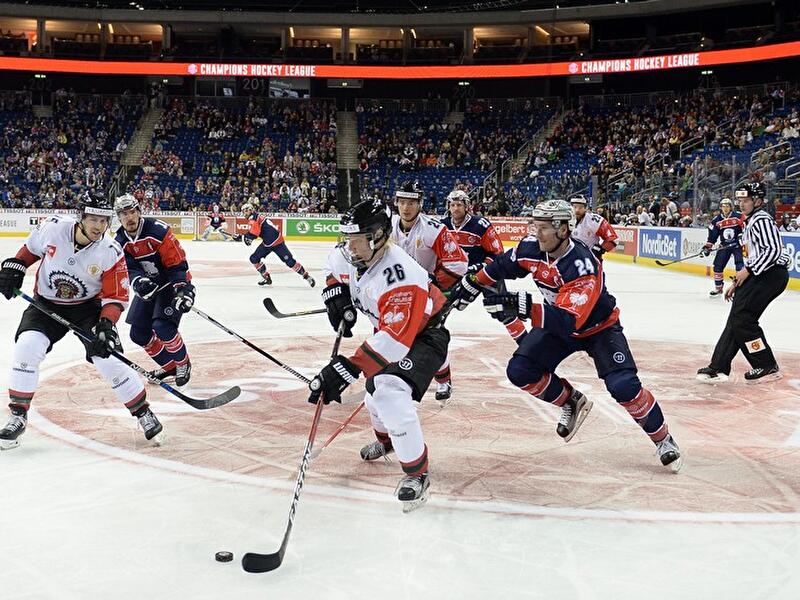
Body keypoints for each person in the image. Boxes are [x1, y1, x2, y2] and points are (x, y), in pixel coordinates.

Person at [449, 199, 683, 472]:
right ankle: (571, 400)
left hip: (598, 328)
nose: (537, 233)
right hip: (557, 322)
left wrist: (520, 305)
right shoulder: (532, 247)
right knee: (521, 370)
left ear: (563, 230)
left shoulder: (583, 263)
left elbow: (569, 319)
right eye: (535, 225)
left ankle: (663, 438)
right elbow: (502, 265)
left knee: (623, 386)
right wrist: (474, 281)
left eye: (544, 227)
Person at [311, 198, 450, 511]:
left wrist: (346, 368)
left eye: (356, 241)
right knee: (372, 397)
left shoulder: (402, 276)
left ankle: (417, 473)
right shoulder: (358, 252)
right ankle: (388, 442)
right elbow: (332, 266)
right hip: (391, 328)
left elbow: (395, 342)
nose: (350, 248)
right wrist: (335, 294)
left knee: (388, 390)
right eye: (348, 241)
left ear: (377, 237)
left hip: (424, 334)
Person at [0, 194, 162, 450]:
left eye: (104, 220)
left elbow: (115, 297)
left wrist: (107, 325)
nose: (99, 226)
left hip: (88, 310)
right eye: (93, 219)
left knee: (109, 357)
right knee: (27, 347)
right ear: (80, 217)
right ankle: (18, 416)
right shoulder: (54, 227)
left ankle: (143, 413)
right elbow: (29, 251)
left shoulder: (110, 251)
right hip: (45, 305)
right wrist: (15, 266)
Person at [697, 182, 791, 384]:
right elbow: (755, 254)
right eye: (739, 200)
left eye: (746, 200)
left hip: (770, 275)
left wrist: (747, 271)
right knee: (736, 317)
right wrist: (738, 283)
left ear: (757, 201)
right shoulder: (750, 220)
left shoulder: (761, 220)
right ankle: (718, 366)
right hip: (759, 274)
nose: (741, 204)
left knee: (743, 318)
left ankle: (766, 365)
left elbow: (773, 251)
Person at [390, 182, 468, 404]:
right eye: (402, 202)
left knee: (430, 339)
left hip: (426, 294)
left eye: (412, 203)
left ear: (420, 204)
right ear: (396, 203)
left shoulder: (434, 229)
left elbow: (459, 264)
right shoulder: (387, 226)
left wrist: (433, 282)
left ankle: (444, 380)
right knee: (390, 335)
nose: (406, 208)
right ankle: (391, 377)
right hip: (393, 293)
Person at [114, 193, 195, 386]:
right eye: (124, 214)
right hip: (149, 288)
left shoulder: (158, 231)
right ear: (118, 217)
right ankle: (170, 365)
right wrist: (139, 282)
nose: (129, 217)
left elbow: (175, 262)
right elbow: (128, 268)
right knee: (138, 334)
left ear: (139, 212)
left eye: (132, 212)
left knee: (162, 326)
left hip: (169, 285)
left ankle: (183, 363)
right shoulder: (119, 241)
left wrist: (183, 289)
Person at [441, 188, 525, 342]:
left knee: (502, 308)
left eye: (459, 205)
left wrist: (480, 268)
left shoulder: (480, 224)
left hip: (486, 273)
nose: (455, 208)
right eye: (452, 205)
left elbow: (497, 252)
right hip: (457, 276)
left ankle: (525, 342)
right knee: (439, 308)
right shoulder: (442, 225)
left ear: (467, 206)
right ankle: (431, 343)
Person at [240, 203, 315, 287]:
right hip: (268, 243)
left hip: (276, 242)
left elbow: (254, 233)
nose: (244, 213)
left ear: (251, 210)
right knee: (254, 258)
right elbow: (253, 233)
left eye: (246, 211)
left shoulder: (253, 218)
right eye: (243, 211)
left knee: (290, 261)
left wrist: (243, 238)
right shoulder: (256, 216)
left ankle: (306, 276)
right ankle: (266, 277)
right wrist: (246, 237)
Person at [702, 197, 744, 298]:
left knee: (740, 266)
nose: (725, 208)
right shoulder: (716, 220)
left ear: (731, 207)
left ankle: (740, 288)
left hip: (737, 245)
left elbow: (746, 226)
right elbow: (713, 235)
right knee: (718, 266)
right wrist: (707, 247)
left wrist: (742, 235)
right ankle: (718, 288)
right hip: (724, 246)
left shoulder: (738, 217)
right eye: (723, 206)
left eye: (727, 206)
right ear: (721, 207)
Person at [570, 195, 619, 260]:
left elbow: (613, 239)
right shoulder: (564, 220)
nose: (577, 210)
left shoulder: (594, 220)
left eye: (580, 207)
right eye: (574, 207)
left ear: (585, 208)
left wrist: (599, 250)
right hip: (570, 260)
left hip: (591, 261)